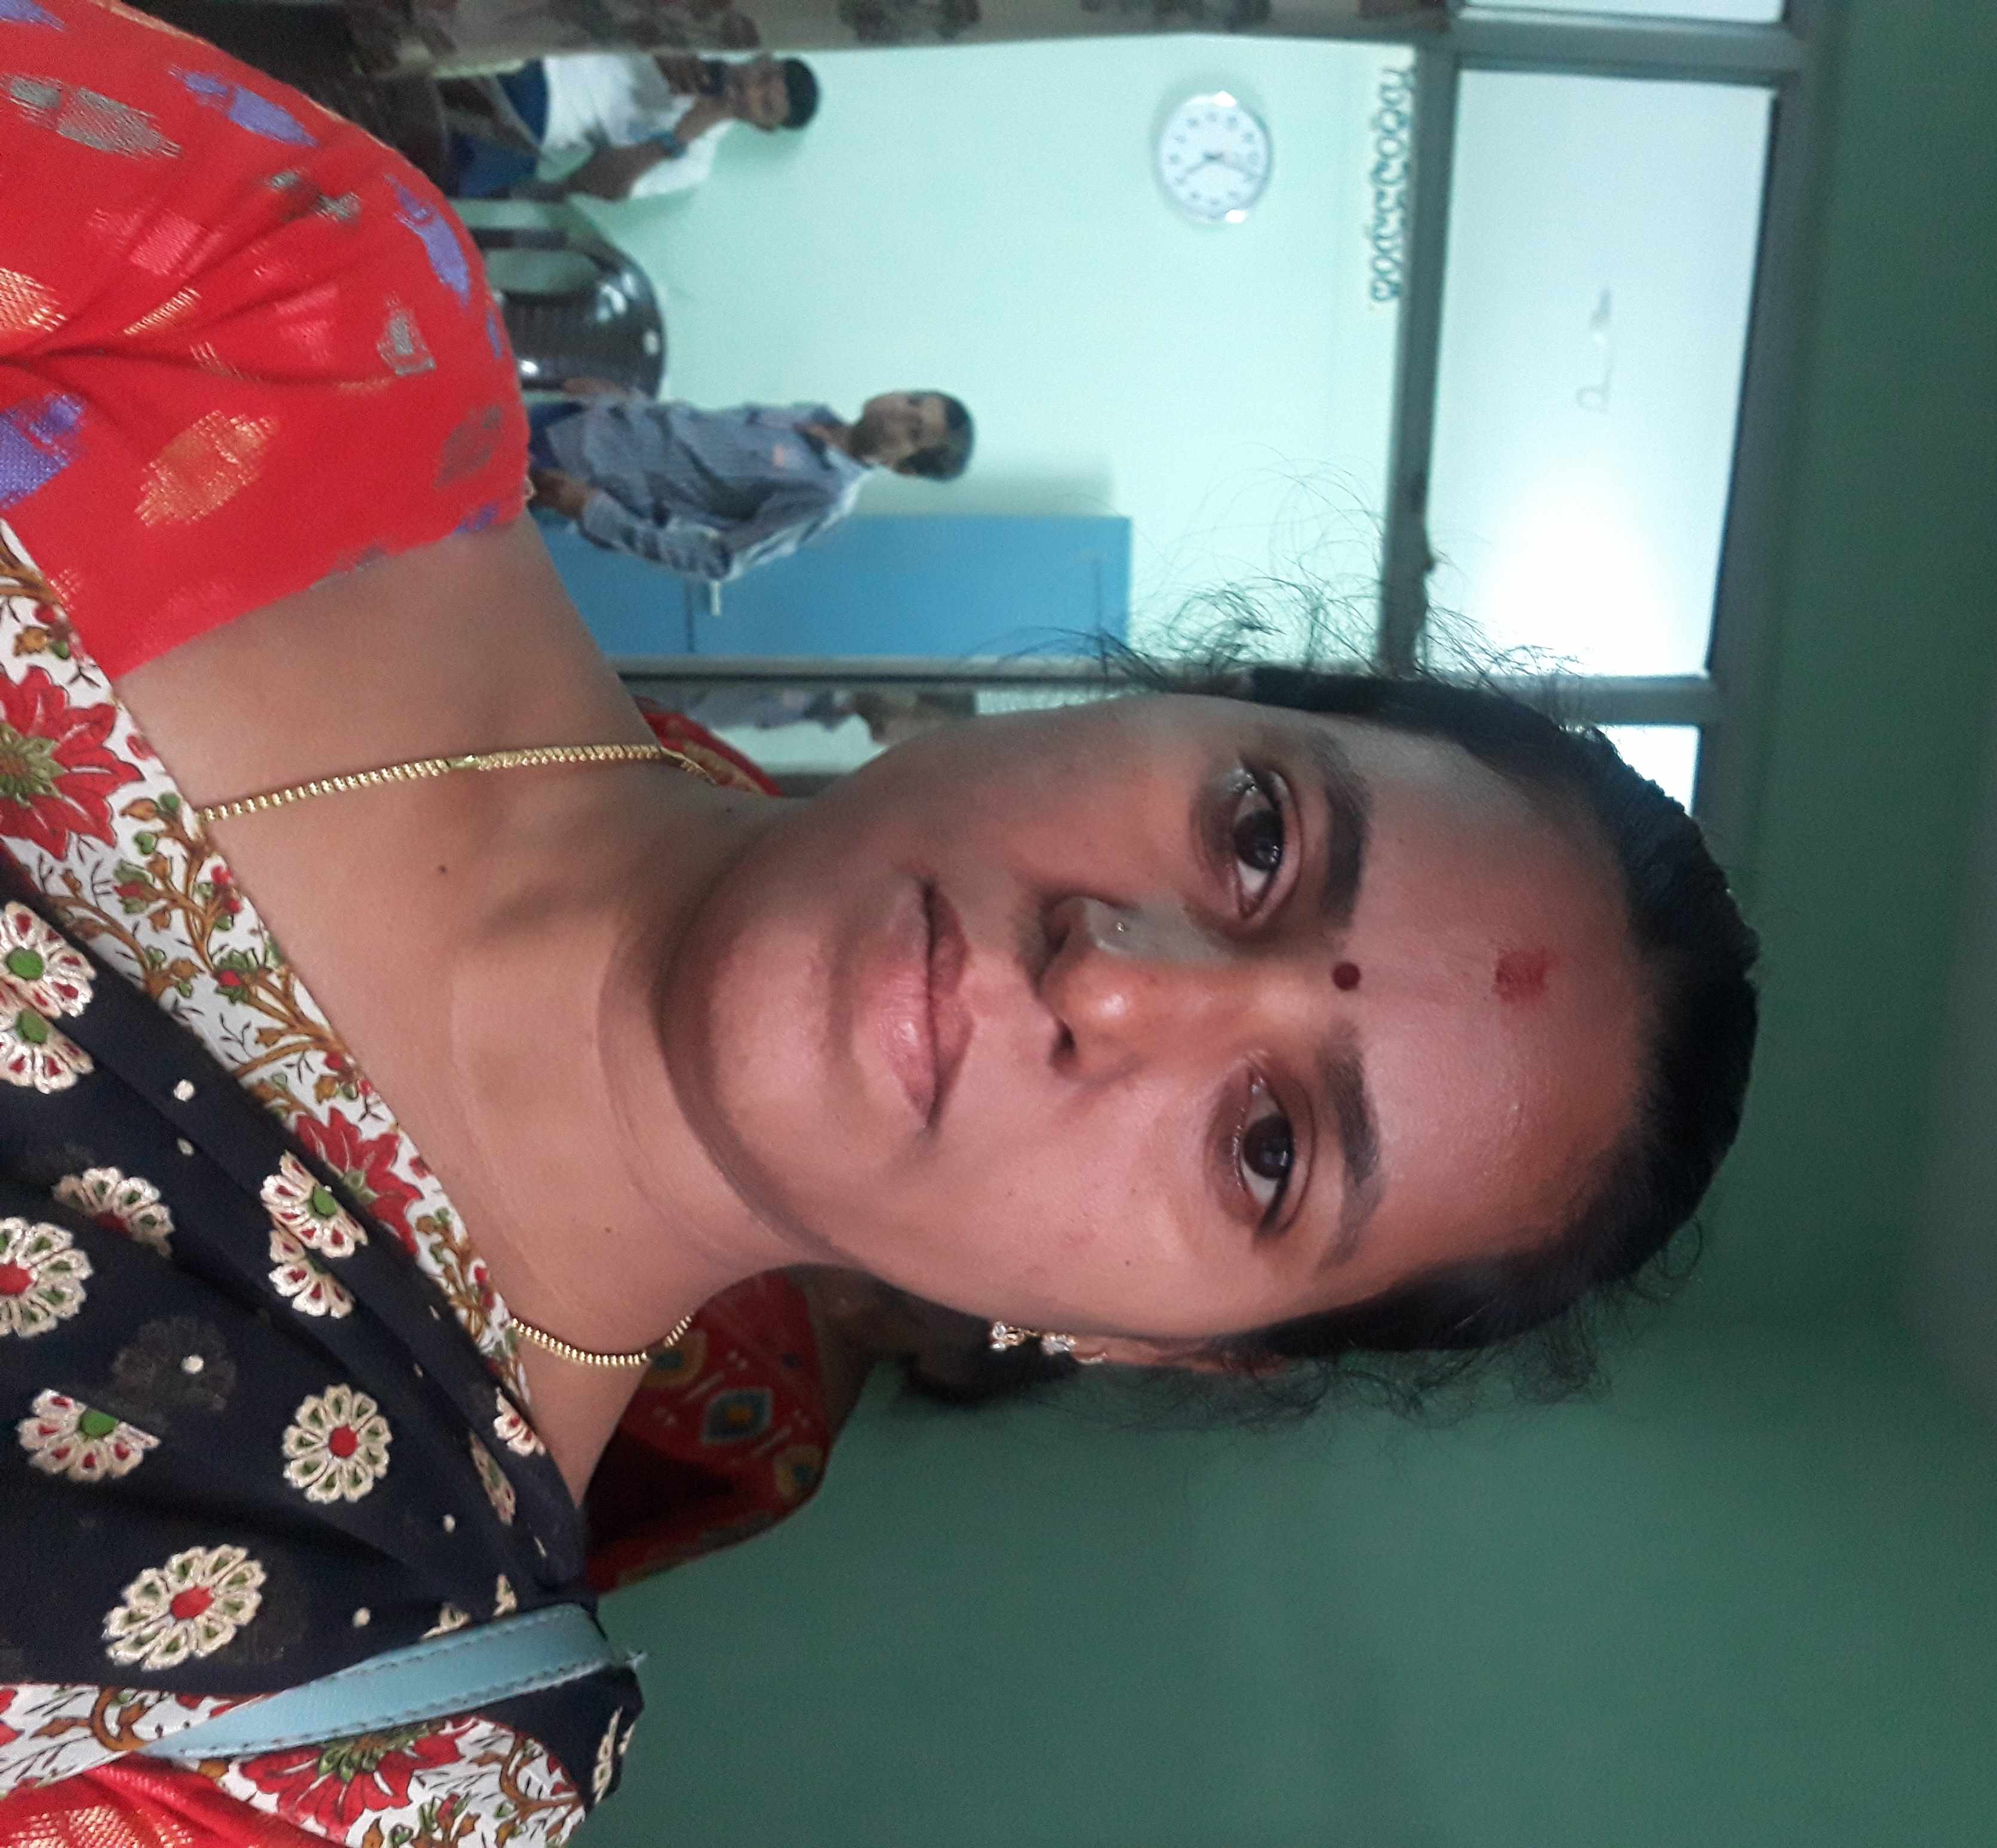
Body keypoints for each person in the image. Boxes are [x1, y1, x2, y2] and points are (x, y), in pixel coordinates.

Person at [0, 6, 1757, 1843]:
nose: (1116, 979)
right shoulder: (299, 310)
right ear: (1165, 698)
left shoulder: (328, 1758)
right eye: (1258, 835)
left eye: (1268, 1150)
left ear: (1160, 1343)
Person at [527, 382, 975, 583]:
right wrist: (628, 401)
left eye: (913, 430)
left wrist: (593, 511)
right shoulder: (810, 413)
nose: (897, 410)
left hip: (571, 475)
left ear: (904, 468)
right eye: (912, 399)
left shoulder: (826, 495)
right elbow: (699, 435)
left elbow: (719, 561)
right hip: (584, 418)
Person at [448, 51, 822, 201]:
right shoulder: (699, 35)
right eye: (764, 76)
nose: (751, 91)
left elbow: (585, 183)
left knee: (466, 177)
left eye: (766, 105)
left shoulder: (694, 162)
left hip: (536, 128)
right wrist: (658, 41)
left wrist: (677, 138)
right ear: (762, 57)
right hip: (536, 57)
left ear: (763, 127)